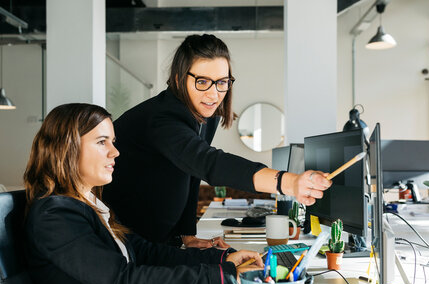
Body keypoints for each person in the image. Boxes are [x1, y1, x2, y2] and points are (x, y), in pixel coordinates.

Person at [23, 103, 263, 284]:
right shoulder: (55, 216)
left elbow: (148, 252)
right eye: (102, 142)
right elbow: (124, 281)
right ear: (66, 147)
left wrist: (220, 259)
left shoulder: (88, 204)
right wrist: (222, 275)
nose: (115, 152)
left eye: (113, 141)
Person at [103, 34, 331, 248]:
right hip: (128, 239)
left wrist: (188, 235)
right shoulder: (162, 118)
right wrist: (287, 183)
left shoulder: (205, 116)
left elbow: (191, 173)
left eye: (222, 82)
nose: (214, 94)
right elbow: (208, 163)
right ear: (178, 79)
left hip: (161, 239)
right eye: (202, 81)